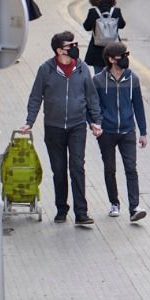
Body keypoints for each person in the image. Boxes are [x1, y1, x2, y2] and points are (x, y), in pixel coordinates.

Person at [21, 32, 103, 226]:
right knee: (59, 170)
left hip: (77, 126)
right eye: (70, 45)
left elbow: (91, 97)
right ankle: (61, 209)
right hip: (53, 128)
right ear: (59, 51)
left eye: (75, 44)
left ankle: (81, 213)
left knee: (77, 167)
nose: (75, 48)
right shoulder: (46, 70)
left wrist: (96, 121)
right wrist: (29, 121)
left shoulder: (82, 68)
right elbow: (35, 97)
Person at [93, 42, 148, 222]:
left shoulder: (133, 79)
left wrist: (143, 132)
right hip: (106, 132)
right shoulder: (98, 81)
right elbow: (94, 106)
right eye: (121, 56)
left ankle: (134, 208)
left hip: (127, 131)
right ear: (111, 60)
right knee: (110, 169)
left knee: (131, 168)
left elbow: (138, 106)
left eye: (126, 55)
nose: (125, 59)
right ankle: (114, 203)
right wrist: (96, 124)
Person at [83, 0, 126, 75]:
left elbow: (86, 27)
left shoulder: (93, 12)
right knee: (114, 73)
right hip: (114, 48)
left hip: (96, 48)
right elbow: (122, 25)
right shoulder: (116, 11)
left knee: (98, 74)